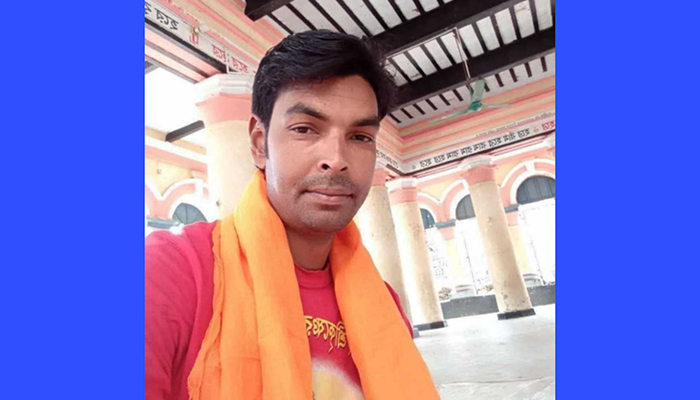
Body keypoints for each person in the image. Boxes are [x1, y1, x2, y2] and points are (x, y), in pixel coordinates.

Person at [145, 30, 440, 400]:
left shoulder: (384, 305)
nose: (336, 159)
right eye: (305, 129)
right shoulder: (169, 274)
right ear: (259, 143)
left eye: (360, 137)